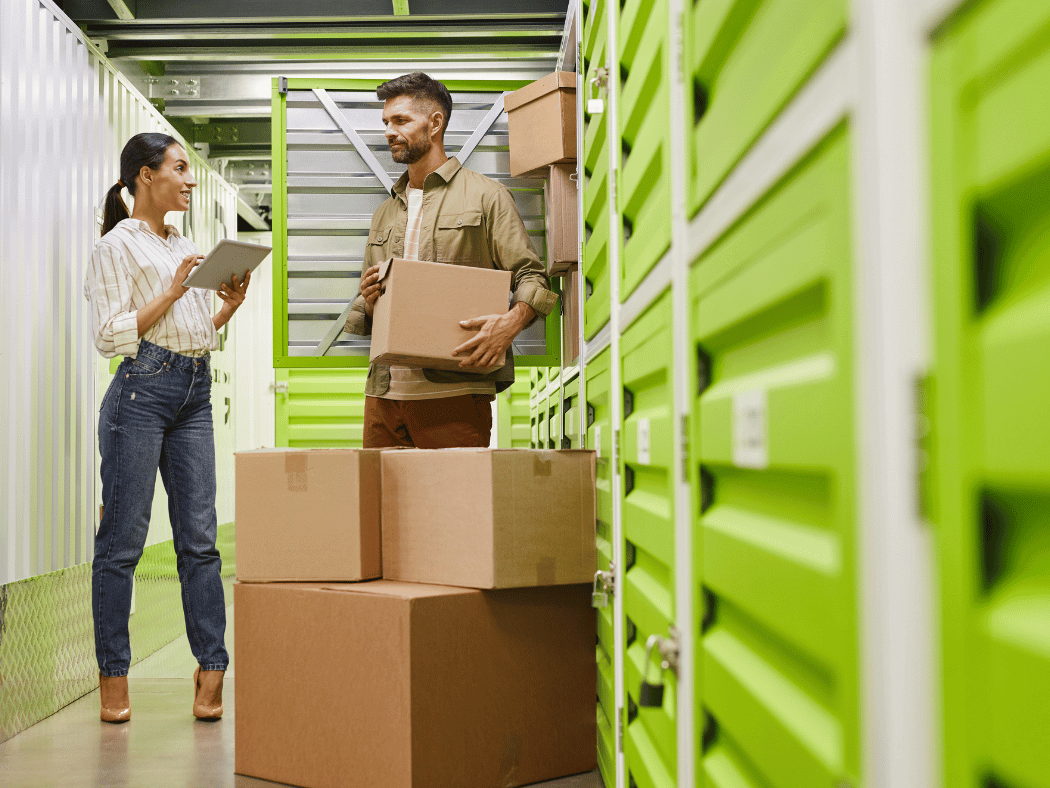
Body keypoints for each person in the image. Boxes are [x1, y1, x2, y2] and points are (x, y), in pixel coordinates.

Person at [84, 132, 250, 723]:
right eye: (180, 168)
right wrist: (174, 288)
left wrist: (225, 305)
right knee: (122, 544)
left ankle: (211, 670)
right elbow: (110, 336)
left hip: (194, 392)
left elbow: (196, 326)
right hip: (140, 395)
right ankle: (113, 679)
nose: (189, 179)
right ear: (144, 177)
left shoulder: (188, 243)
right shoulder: (116, 246)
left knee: (199, 542)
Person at [344, 72, 558, 448]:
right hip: (383, 395)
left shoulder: (486, 196)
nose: (389, 132)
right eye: (386, 123)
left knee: (453, 507)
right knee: (382, 507)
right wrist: (370, 296)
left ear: (436, 123)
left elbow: (532, 277)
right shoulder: (384, 213)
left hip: (454, 392)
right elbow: (377, 301)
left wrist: (511, 323)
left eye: (401, 120)